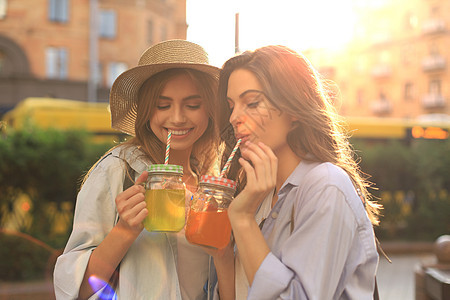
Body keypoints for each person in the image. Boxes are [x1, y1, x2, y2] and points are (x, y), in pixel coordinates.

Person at [53, 39, 225, 300]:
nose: (177, 118)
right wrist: (124, 230)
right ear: (146, 110)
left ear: (210, 110)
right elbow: (76, 290)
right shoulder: (119, 169)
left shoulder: (210, 183)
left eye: (192, 105)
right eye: (163, 105)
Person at [212, 45, 382, 299]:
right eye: (232, 105)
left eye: (252, 102)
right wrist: (223, 255)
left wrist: (244, 220)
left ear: (294, 108)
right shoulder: (259, 193)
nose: (235, 117)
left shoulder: (325, 185)